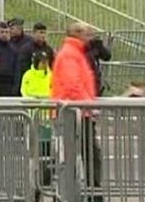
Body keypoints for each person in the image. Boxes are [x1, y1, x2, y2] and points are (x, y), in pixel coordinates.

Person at [52, 22, 101, 202]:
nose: (91, 39)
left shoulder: (72, 53)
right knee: (88, 157)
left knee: (80, 157)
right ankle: (92, 196)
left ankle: (86, 194)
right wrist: (91, 106)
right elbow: (73, 85)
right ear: (78, 34)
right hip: (76, 114)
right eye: (88, 34)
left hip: (76, 113)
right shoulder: (71, 55)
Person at [20, 51, 54, 202]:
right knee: (35, 156)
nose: (44, 64)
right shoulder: (28, 75)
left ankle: (46, 184)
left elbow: (54, 91)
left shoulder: (51, 75)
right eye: (42, 61)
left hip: (49, 120)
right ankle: (34, 187)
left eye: (46, 61)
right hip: (34, 119)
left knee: (49, 155)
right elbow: (24, 93)